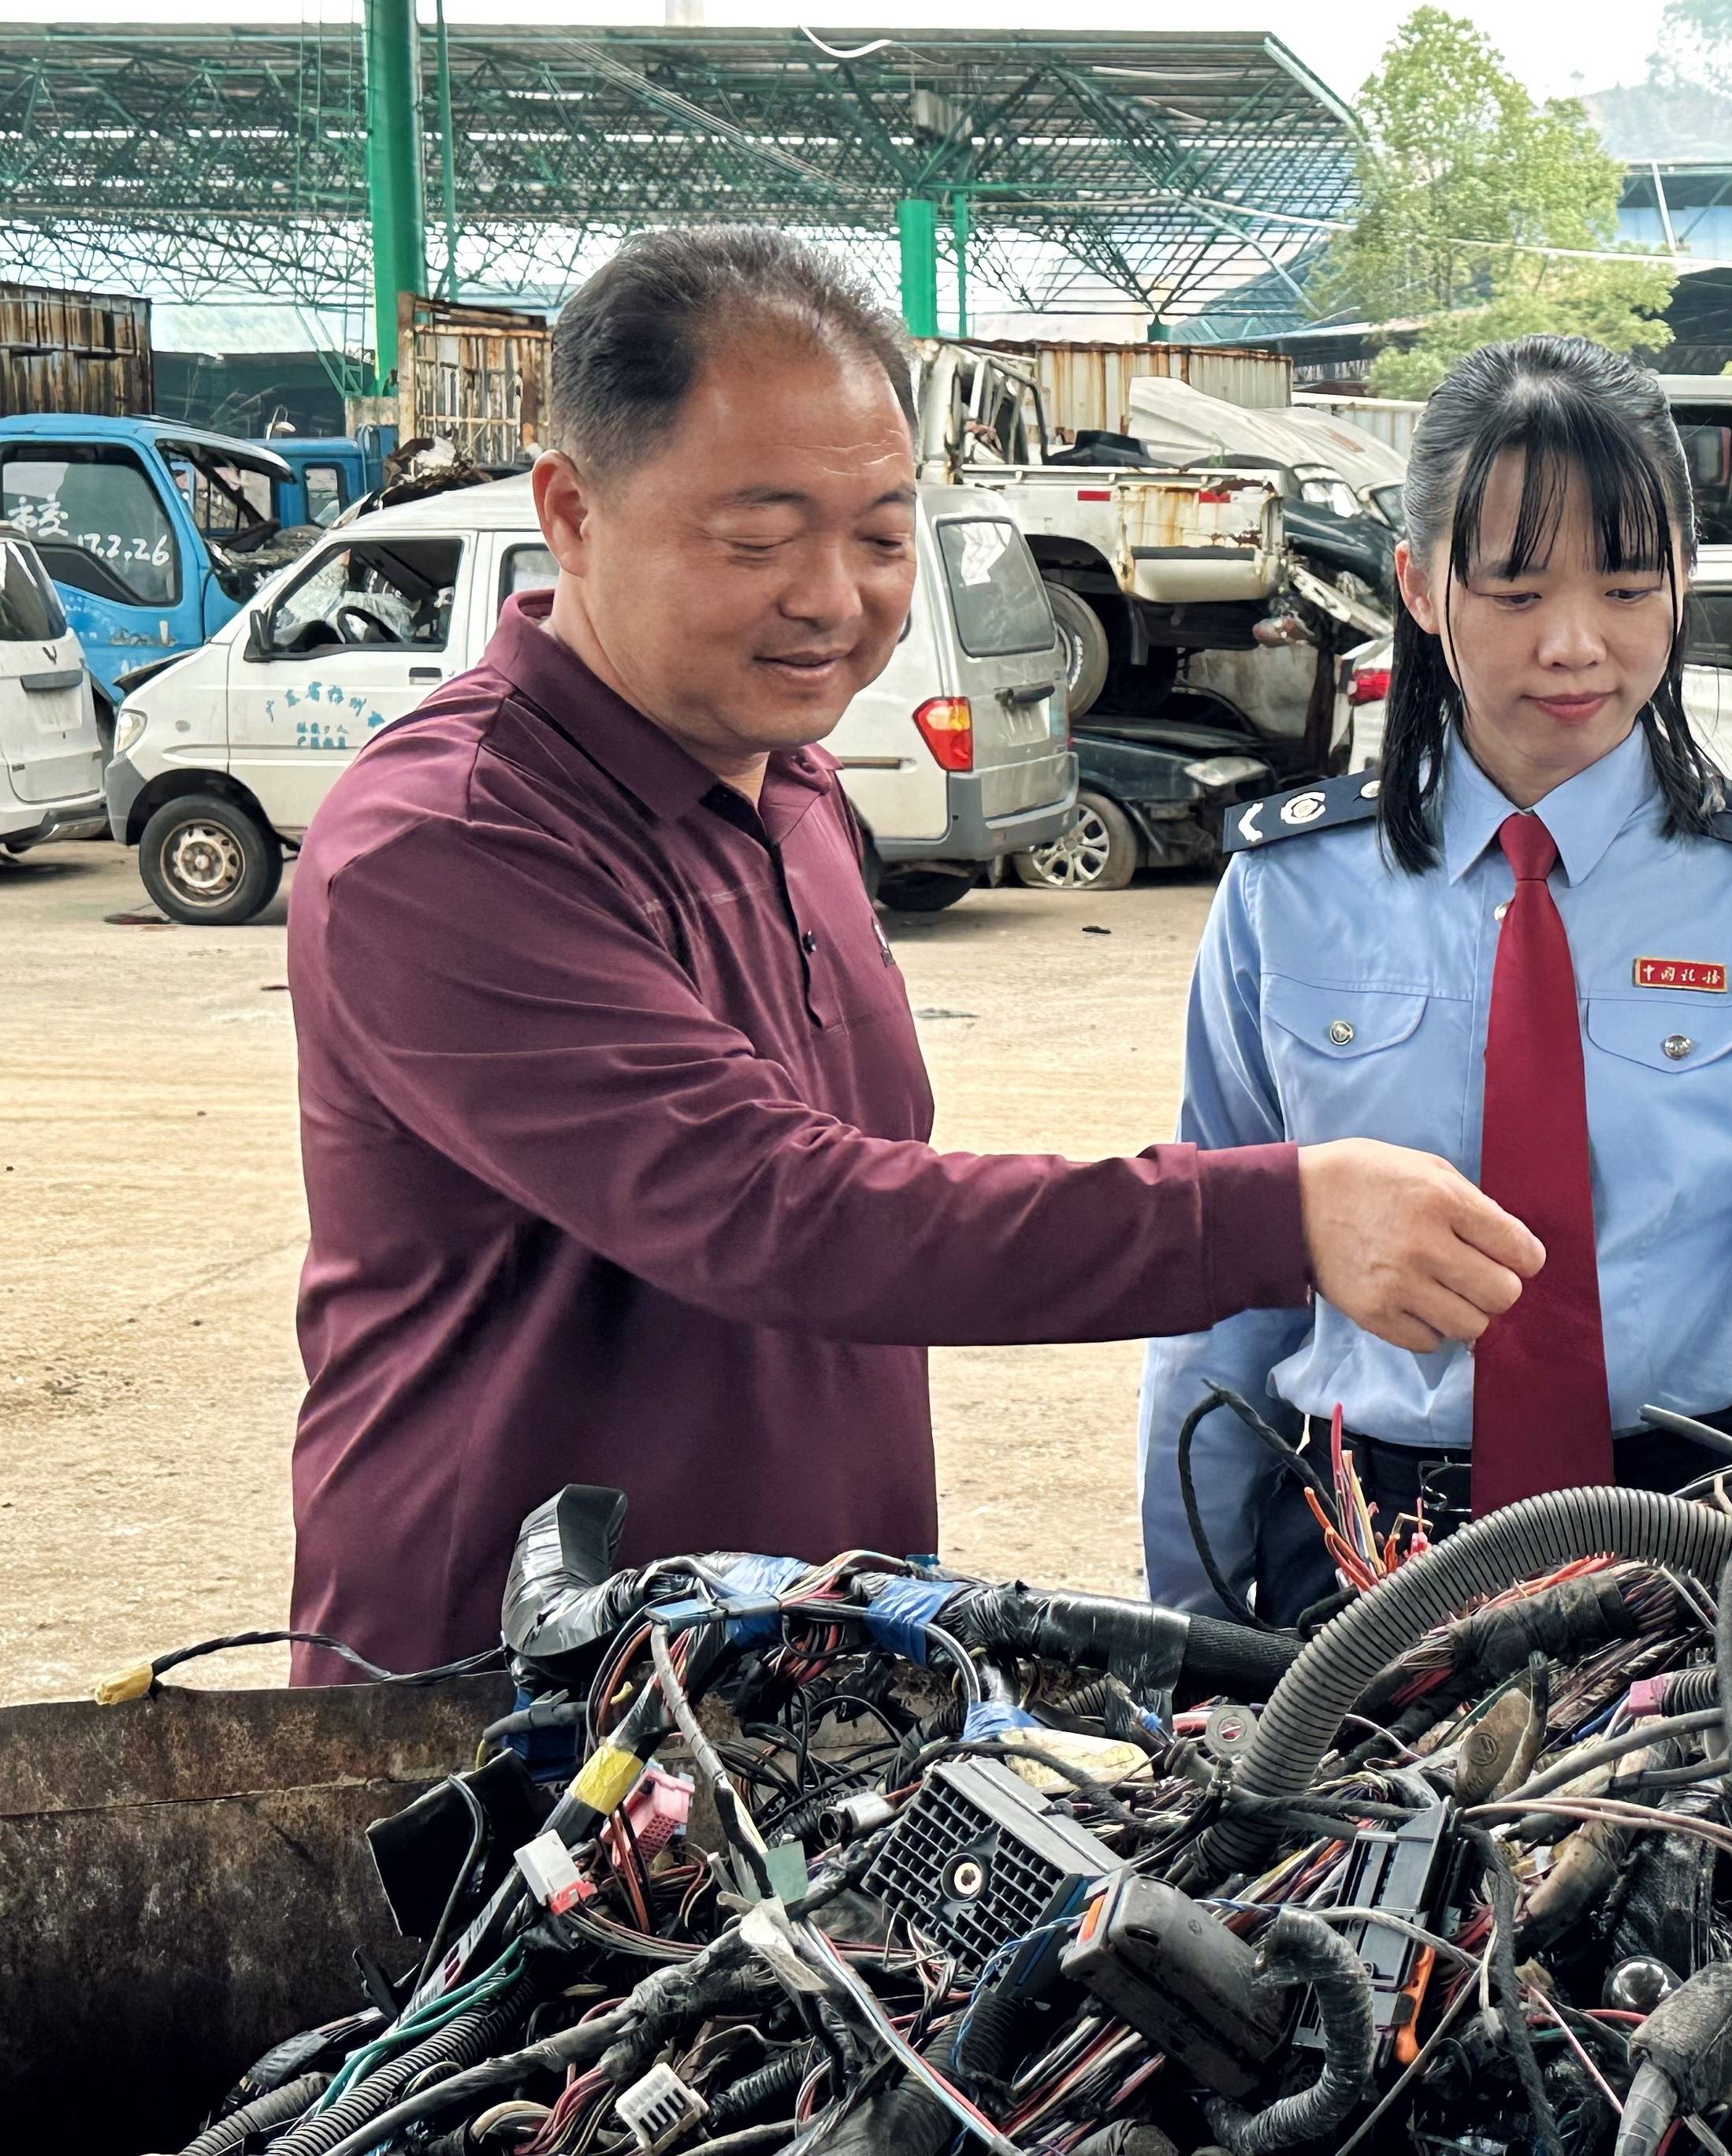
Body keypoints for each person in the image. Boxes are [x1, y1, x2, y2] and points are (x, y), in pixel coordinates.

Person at [284, 229, 1542, 1675]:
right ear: (570, 510)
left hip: (816, 1667)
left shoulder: (799, 792)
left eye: (881, 535)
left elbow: (873, 1206)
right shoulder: (447, 844)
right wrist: (1274, 1216)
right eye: (758, 540)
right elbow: (781, 1213)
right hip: (511, 1713)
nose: (833, 596)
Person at [1137, 335, 1732, 1623]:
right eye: (1516, 589)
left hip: (1705, 1536)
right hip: (1362, 1538)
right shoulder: (1291, 890)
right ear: (1421, 588)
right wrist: (1187, 1630)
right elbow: (1221, 1279)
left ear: (1683, 580)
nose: (1575, 645)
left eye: (1624, 585)